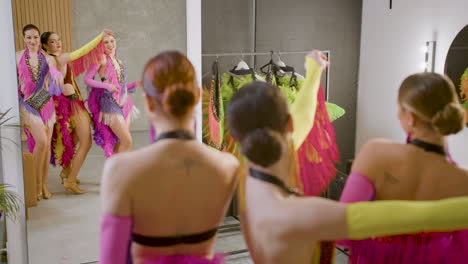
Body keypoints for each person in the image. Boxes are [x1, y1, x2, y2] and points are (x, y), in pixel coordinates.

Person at [226, 50, 468, 264]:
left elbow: (304, 115)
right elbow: (423, 216)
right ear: (288, 125)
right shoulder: (303, 213)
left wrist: (313, 73)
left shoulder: (249, 173)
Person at [99, 51, 239, 264]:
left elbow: (113, 259)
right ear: (198, 96)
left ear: (149, 101)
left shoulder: (120, 170)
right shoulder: (227, 165)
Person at [339, 72, 468, 263]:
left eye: (398, 109)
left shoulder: (376, 153)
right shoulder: (462, 180)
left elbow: (344, 229)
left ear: (410, 117)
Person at [41, 29, 113, 194]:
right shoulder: (57, 58)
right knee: (86, 142)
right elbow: (83, 51)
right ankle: (71, 181)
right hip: (71, 105)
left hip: (71, 104)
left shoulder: (53, 58)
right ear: (45, 45)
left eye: (58, 39)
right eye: (52, 41)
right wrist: (99, 37)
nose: (58, 43)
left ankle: (67, 171)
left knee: (73, 139)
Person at [16, 24, 63, 200]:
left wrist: (56, 75)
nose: (32, 40)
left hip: (46, 103)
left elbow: (54, 71)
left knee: (46, 146)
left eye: (35, 37)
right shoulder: (17, 57)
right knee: (41, 142)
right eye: (29, 37)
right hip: (27, 104)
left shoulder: (47, 58)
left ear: (39, 39)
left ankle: (43, 184)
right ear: (24, 38)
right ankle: (33, 184)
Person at [84, 33, 139, 157]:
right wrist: (107, 86)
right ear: (101, 46)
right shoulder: (101, 58)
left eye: (112, 41)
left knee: (120, 143)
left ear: (116, 43)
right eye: (106, 42)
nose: (110, 44)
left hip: (124, 103)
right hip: (109, 103)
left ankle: (116, 173)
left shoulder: (118, 61)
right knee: (127, 140)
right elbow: (87, 79)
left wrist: (136, 83)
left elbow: (120, 87)